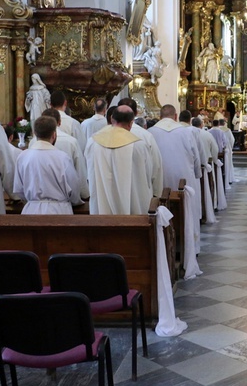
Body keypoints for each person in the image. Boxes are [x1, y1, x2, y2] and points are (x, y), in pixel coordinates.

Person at [149, 105, 202, 279]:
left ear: (160, 115)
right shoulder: (187, 132)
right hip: (183, 181)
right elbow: (195, 157)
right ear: (176, 116)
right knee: (185, 214)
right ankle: (187, 249)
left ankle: (162, 248)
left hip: (159, 183)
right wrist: (197, 175)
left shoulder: (151, 132)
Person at [85, 105, 157, 215]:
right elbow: (148, 174)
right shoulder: (139, 146)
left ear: (111, 119)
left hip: (100, 210)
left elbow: (89, 172)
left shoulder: (93, 142)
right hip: (133, 207)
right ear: (131, 123)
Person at [14, 115, 82, 214]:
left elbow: (19, 189)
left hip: (32, 211)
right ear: (54, 135)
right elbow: (74, 188)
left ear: (34, 133)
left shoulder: (23, 157)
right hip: (59, 211)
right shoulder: (62, 158)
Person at [118, 97, 164, 208]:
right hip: (140, 193)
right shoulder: (146, 136)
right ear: (136, 113)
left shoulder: (102, 137)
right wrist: (157, 194)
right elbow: (156, 166)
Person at [36, 108, 90, 200]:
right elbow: (79, 171)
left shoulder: (33, 144)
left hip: (34, 202)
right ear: (59, 122)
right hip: (63, 200)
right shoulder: (71, 142)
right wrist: (84, 194)